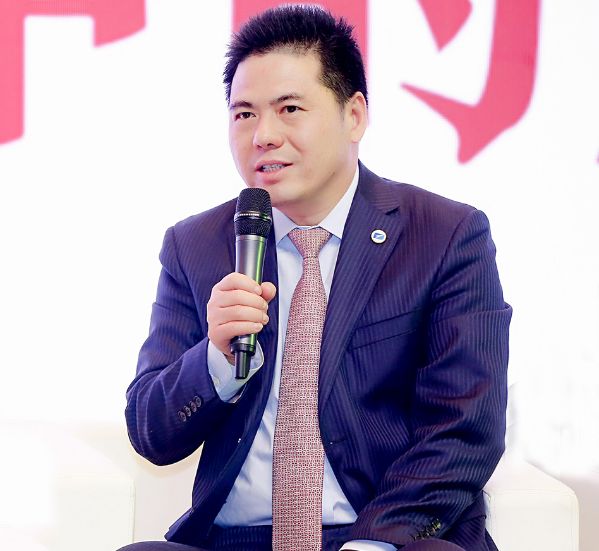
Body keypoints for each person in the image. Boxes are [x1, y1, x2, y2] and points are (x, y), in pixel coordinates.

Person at [121, 5, 511, 551]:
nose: (263, 135)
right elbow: (150, 431)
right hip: (239, 540)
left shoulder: (445, 235)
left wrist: (374, 543)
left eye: (289, 109)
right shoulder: (196, 245)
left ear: (354, 115)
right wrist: (215, 359)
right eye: (244, 114)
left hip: (384, 537)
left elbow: (464, 429)